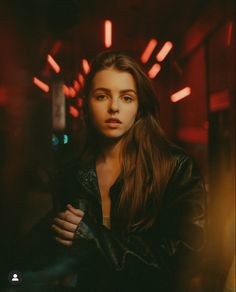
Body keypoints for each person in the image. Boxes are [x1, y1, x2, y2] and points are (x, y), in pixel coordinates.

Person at [50, 50, 206, 292]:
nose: (114, 107)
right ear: (87, 105)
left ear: (139, 107)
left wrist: (94, 238)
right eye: (102, 96)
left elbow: (184, 261)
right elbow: (62, 262)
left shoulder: (176, 168)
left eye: (127, 98)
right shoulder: (72, 174)